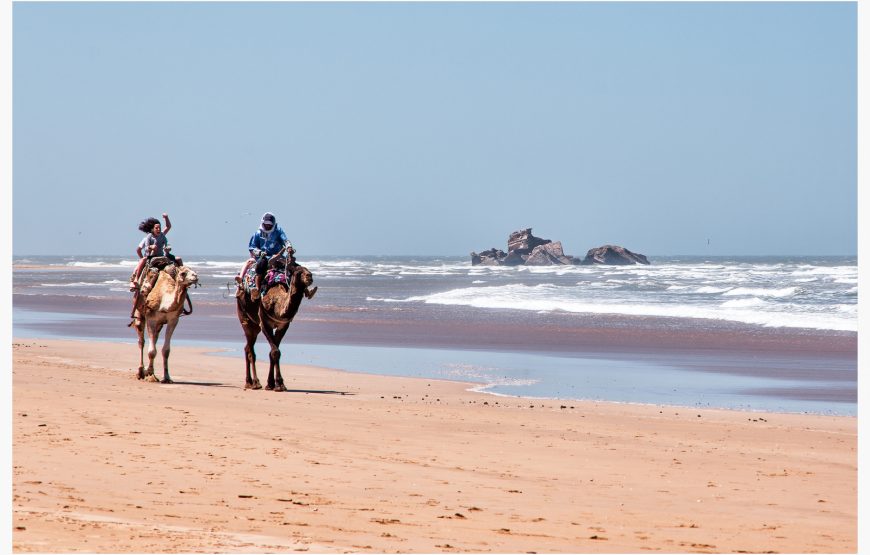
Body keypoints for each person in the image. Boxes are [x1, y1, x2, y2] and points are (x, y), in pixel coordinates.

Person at [237, 212, 291, 300]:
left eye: (270, 225)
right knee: (260, 265)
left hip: (277, 256)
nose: (268, 226)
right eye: (266, 224)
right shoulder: (257, 233)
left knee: (292, 266)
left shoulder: (278, 231)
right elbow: (252, 247)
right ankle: (256, 288)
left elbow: (285, 240)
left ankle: (305, 290)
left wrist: (289, 247)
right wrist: (259, 252)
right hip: (262, 258)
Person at [129, 213, 173, 292]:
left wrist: (166, 217)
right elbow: (139, 249)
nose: (159, 229)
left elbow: (168, 227)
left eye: (159, 228)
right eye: (157, 228)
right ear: (152, 229)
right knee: (142, 261)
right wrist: (146, 254)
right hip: (150, 257)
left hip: (160, 257)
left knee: (175, 262)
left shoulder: (162, 235)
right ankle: (135, 280)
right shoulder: (147, 238)